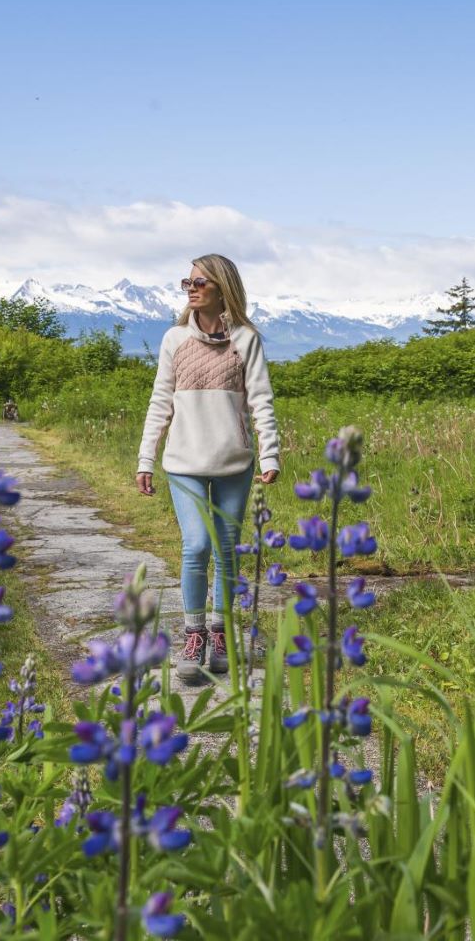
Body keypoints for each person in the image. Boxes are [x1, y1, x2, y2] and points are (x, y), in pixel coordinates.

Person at [136, 254, 280, 682]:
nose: (191, 289)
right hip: (184, 464)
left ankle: (221, 635)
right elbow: (160, 402)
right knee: (197, 546)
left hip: (234, 462)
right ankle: (193, 634)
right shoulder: (174, 339)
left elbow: (261, 400)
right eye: (188, 282)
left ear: (223, 288)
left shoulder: (246, 340)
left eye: (200, 282)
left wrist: (269, 452)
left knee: (227, 551)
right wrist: (146, 457)